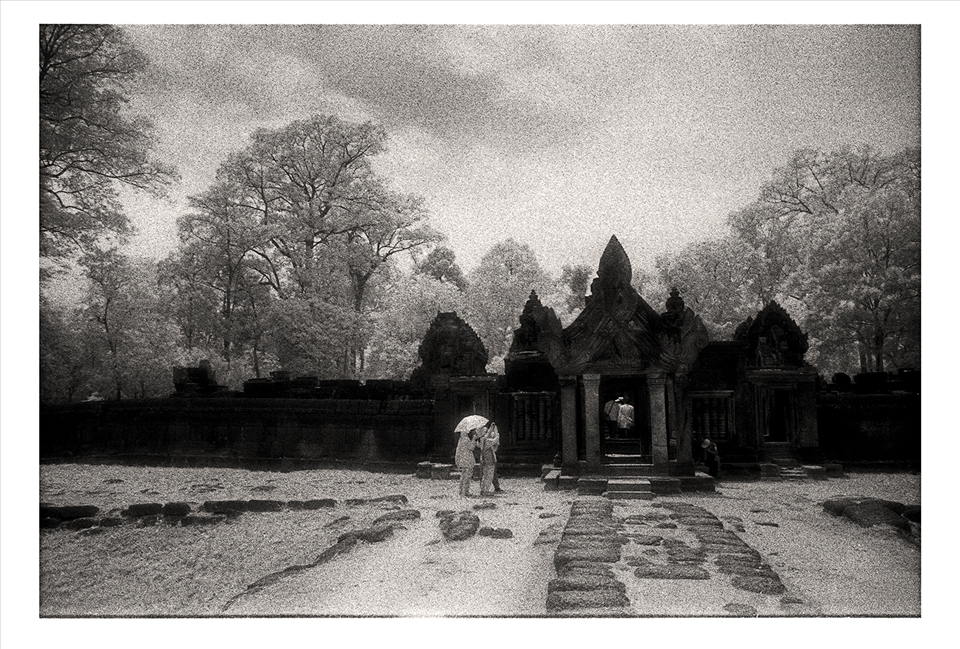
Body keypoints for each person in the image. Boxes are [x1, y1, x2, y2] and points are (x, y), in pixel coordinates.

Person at [477, 420, 500, 496]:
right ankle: (485, 491)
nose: (486, 432)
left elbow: (486, 435)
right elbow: (495, 440)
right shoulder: (486, 441)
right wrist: (496, 432)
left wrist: (491, 428)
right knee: (488, 476)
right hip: (489, 460)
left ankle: (483, 490)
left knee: (485, 475)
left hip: (484, 460)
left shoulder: (481, 440)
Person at [455, 427, 479, 497]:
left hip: (463, 460)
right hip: (467, 460)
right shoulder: (466, 439)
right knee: (467, 476)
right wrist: (474, 439)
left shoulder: (461, 439)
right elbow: (471, 448)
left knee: (464, 475)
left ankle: (463, 491)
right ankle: (464, 492)